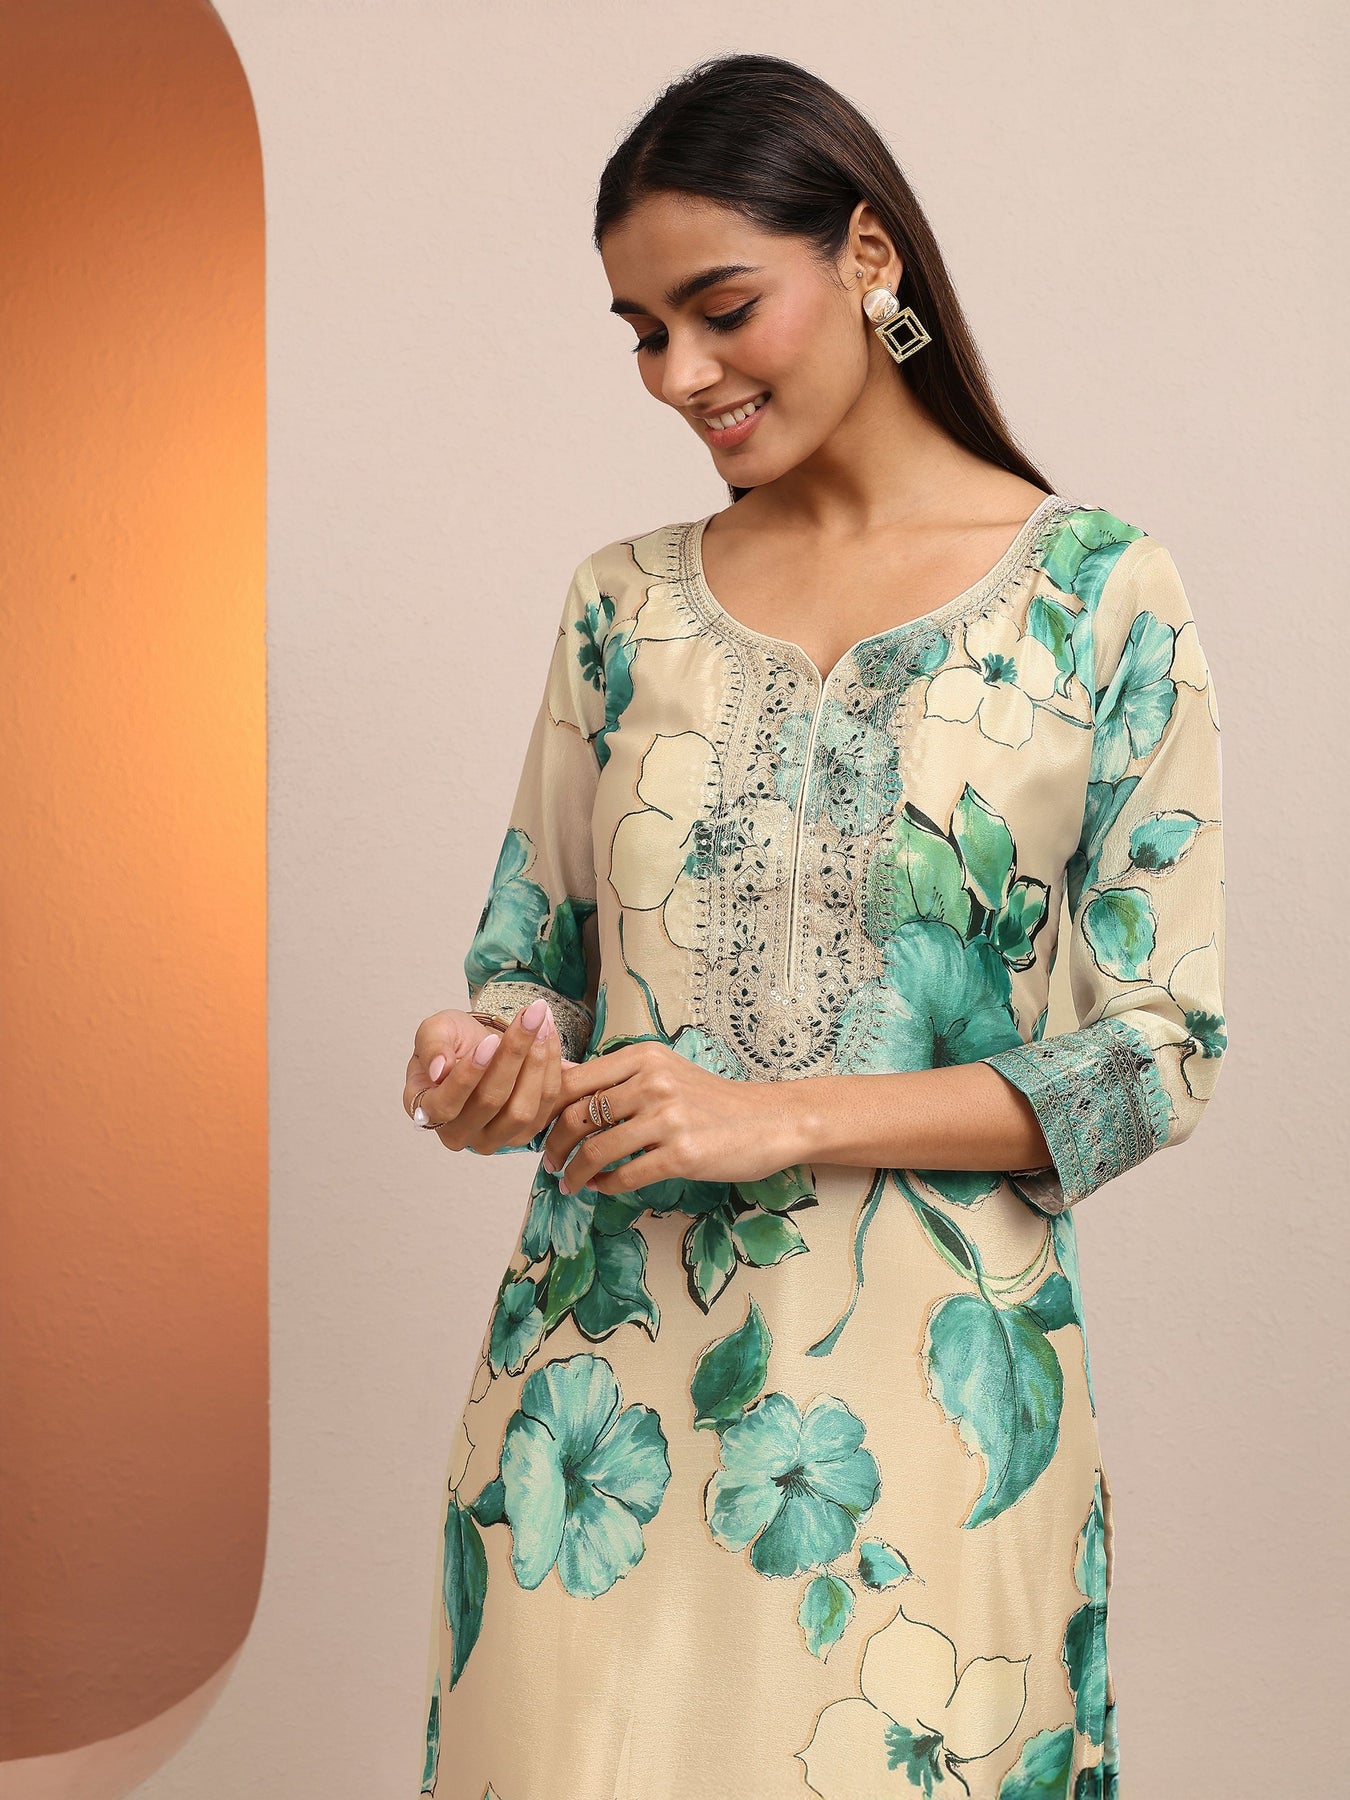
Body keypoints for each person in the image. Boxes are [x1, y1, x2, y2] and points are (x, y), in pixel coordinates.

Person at [403, 50, 1226, 1800]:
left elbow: (1155, 1061)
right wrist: (490, 1061)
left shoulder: (1098, 597)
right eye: (641, 331)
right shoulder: (621, 607)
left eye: (720, 310)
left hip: (929, 1451)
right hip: (590, 1427)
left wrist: (775, 1117)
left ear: (866, 256)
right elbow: (531, 979)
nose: (678, 375)